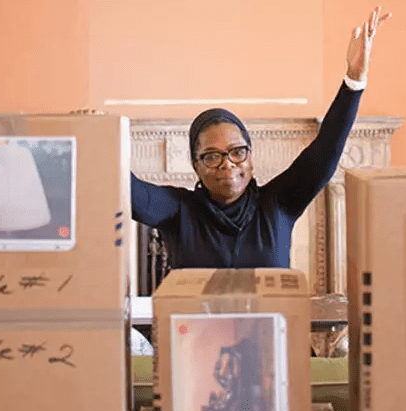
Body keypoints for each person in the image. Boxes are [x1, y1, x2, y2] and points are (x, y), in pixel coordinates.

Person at [132, 7, 392, 270]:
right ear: (195, 165)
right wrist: (104, 134)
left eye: (237, 152)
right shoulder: (178, 211)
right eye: (211, 156)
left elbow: (324, 152)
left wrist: (354, 82)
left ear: (250, 158)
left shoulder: (278, 203)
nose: (227, 163)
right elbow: (124, 189)